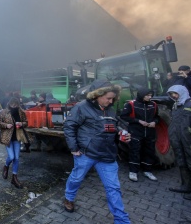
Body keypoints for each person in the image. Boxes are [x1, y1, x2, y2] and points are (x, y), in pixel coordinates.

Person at [63, 80, 131, 223]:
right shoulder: (81, 107)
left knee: (113, 188)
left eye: (113, 98)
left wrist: (121, 132)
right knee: (76, 178)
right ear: (97, 95)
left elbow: (114, 125)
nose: (111, 101)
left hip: (107, 154)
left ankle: (121, 220)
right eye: (108, 98)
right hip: (86, 153)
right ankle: (69, 198)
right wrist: (74, 148)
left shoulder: (110, 109)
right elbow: (69, 127)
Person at [120, 88, 159, 182]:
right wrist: (138, 121)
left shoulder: (153, 105)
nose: (150, 97)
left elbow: (157, 117)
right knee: (135, 151)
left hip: (149, 132)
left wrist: (154, 122)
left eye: (151, 95)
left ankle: (147, 170)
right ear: (142, 95)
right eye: (148, 95)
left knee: (149, 151)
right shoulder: (131, 104)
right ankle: (133, 171)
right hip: (136, 131)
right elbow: (123, 116)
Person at [166, 85, 191, 201]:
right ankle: (186, 186)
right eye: (171, 94)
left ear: (182, 92)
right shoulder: (176, 105)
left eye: (175, 93)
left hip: (190, 140)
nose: (173, 96)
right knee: (182, 162)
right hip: (178, 139)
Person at [0, 97, 28, 189]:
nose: (14, 106)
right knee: (12, 157)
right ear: (9, 104)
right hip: (8, 138)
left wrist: (22, 124)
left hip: (17, 137)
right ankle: (6, 166)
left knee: (17, 158)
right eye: (12, 104)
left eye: (16, 104)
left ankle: (14, 178)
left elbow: (26, 122)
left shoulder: (21, 112)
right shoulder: (4, 112)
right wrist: (6, 125)